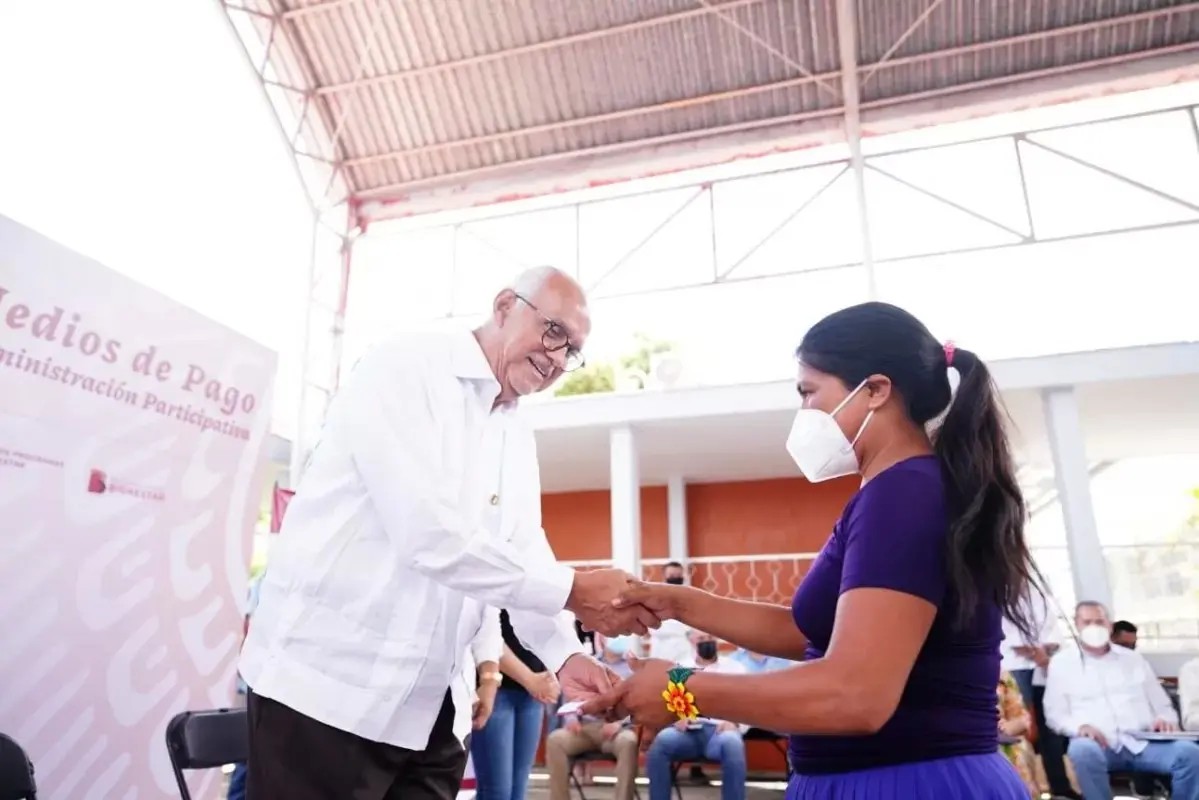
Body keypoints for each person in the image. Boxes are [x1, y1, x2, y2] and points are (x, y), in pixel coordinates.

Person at [583, 302, 1039, 799]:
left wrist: (679, 690)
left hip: (909, 782)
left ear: (876, 391)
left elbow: (856, 693)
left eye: (809, 392)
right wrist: (677, 603)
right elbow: (811, 632)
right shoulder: (895, 492)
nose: (803, 413)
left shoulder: (905, 494)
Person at [240, 267, 659, 800]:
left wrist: (565, 655)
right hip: (328, 693)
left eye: (572, 350)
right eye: (554, 331)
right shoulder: (406, 368)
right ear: (505, 305)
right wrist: (576, 589)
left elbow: (523, 551)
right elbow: (428, 534)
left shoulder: (515, 432)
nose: (557, 358)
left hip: (433, 710)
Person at [1044, 601, 1199, 800]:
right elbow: (1055, 715)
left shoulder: (1134, 660)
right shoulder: (1062, 664)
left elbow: (1163, 705)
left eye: (1099, 621)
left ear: (1109, 625)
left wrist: (1164, 719)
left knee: (1190, 754)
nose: (1094, 627)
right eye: (1087, 622)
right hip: (1098, 745)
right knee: (1081, 751)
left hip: (1142, 742)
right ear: (1077, 625)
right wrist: (1079, 727)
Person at [645, 631, 748, 800]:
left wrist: (735, 722)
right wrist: (677, 717)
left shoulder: (735, 668)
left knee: (733, 744)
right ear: (691, 641)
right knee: (661, 742)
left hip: (720, 731)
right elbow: (668, 703)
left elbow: (747, 703)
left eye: (710, 638)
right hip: (688, 733)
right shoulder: (680, 669)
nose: (706, 642)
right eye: (701, 639)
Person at [471, 611, 560, 800]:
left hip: (531, 693)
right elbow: (487, 635)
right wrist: (530, 679)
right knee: (497, 792)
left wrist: (548, 676)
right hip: (496, 690)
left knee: (518, 789)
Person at [546, 637, 640, 800]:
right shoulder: (587, 663)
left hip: (617, 731)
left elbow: (636, 704)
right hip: (585, 729)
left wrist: (618, 722)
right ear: (602, 637)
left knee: (629, 742)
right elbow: (570, 696)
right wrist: (571, 719)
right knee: (555, 740)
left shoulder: (632, 668)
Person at [1000, 593, 1074, 798]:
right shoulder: (995, 583)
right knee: (1019, 731)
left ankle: (1060, 788)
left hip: (1043, 664)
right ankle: (1026, 790)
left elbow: (1051, 628)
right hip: (1013, 664)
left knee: (1051, 729)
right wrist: (1034, 651)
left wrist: (1046, 652)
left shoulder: (1037, 589)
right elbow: (1003, 630)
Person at [996, 671, 1039, 798]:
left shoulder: (1001, 675)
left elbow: (1022, 719)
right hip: (963, 746)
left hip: (1002, 741)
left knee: (1016, 750)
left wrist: (1008, 728)